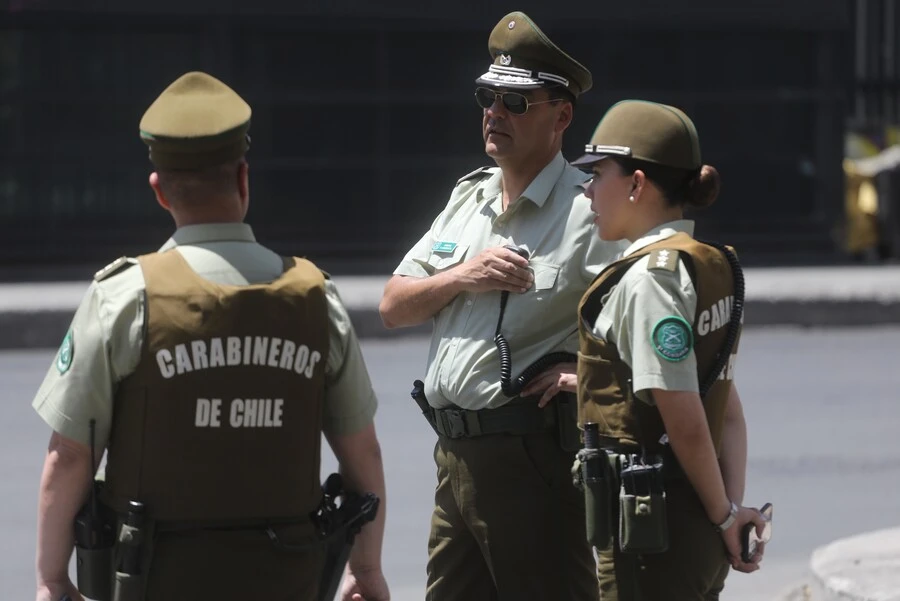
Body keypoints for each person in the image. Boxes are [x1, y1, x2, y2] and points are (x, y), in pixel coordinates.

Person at [32, 71, 389, 601]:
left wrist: (52, 580)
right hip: (285, 579)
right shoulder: (316, 297)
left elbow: (69, 455)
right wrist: (366, 569)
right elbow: (362, 454)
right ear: (244, 179)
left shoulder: (125, 297)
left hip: (152, 580)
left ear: (159, 191)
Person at [379, 12, 625, 601]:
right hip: (454, 455)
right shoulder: (469, 198)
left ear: (561, 116)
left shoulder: (589, 211)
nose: (495, 112)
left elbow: (652, 324)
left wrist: (588, 373)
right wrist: (464, 275)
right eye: (487, 97)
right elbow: (393, 305)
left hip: (531, 458)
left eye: (516, 101)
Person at [572, 99, 769, 600]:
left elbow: (683, 416)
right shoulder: (707, 264)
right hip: (694, 525)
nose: (588, 189)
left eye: (598, 174)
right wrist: (727, 511)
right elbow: (725, 410)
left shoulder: (650, 280)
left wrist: (725, 517)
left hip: (651, 536)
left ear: (637, 184)